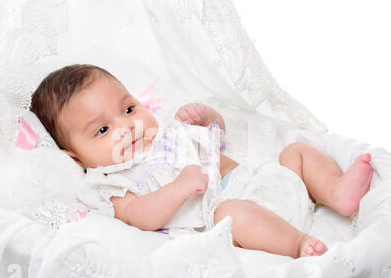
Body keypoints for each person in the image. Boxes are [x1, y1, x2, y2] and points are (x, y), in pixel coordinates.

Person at [30, 64, 373, 258]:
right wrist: (179, 189)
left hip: (268, 185)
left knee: (295, 152)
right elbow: (140, 217)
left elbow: (217, 141)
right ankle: (297, 244)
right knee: (231, 213)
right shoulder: (108, 182)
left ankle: (334, 191)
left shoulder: (164, 131)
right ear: (75, 158)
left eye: (129, 108)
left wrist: (210, 119)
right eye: (103, 129)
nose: (127, 126)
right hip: (236, 220)